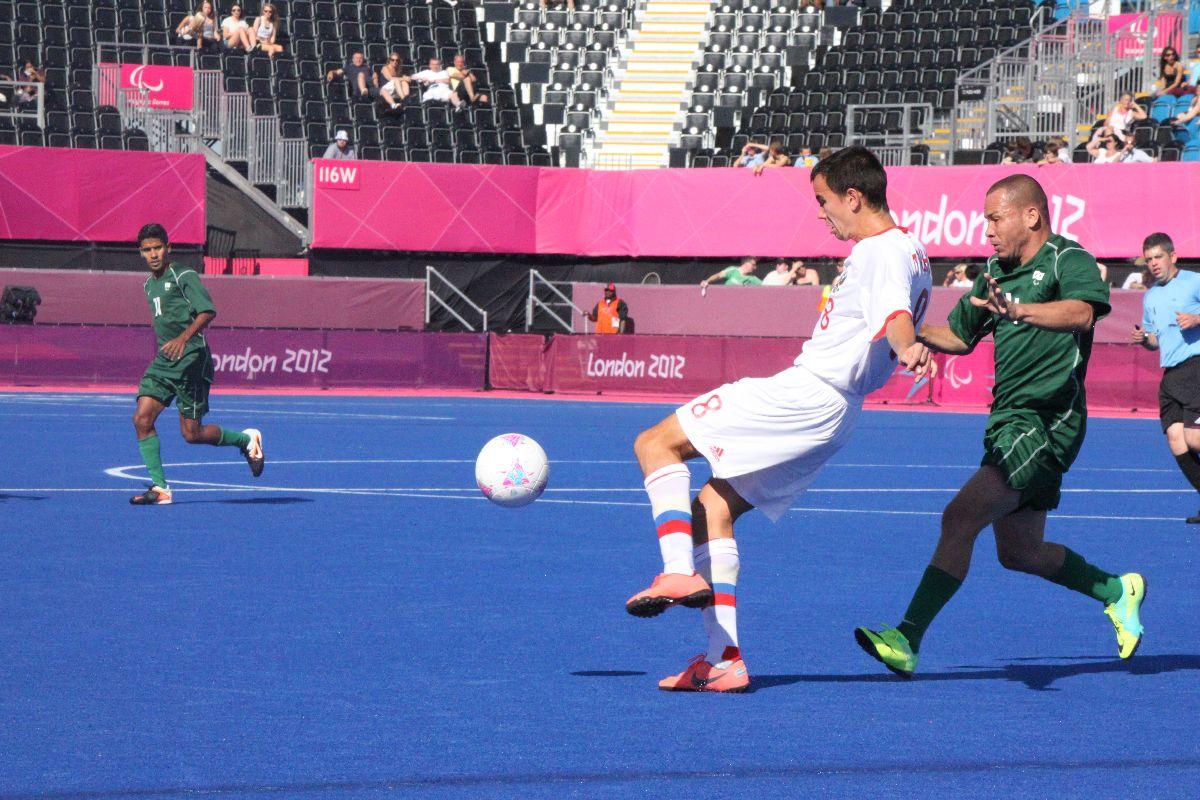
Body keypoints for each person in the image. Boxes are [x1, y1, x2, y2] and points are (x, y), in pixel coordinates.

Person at [626, 147, 934, 693]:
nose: (821, 214)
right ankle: (725, 661)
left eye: (824, 201)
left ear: (853, 197)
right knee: (713, 507)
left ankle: (676, 569)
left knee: (655, 443)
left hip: (809, 394)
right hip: (838, 414)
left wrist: (907, 347)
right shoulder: (912, 250)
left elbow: (897, 320)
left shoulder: (879, 250)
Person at [854, 174, 1144, 678]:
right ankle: (1116, 590)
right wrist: (904, 331)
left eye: (995, 217)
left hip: (1047, 422)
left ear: (1030, 215)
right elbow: (959, 336)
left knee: (960, 515)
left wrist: (1023, 310)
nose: (986, 230)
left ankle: (907, 637)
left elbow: (1082, 312)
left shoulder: (1065, 259)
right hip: (1009, 421)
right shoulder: (993, 271)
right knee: (1019, 552)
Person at [129, 223, 264, 506]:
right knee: (142, 419)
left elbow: (207, 311)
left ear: (168, 248)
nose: (153, 254)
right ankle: (161, 488)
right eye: (147, 249)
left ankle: (246, 440)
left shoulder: (183, 275)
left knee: (192, 434)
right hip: (165, 363)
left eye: (157, 248)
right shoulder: (147, 284)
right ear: (140, 253)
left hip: (192, 360)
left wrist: (183, 338)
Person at [1130, 232, 1200, 524]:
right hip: (1171, 374)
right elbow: (1155, 340)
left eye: (1158, 257)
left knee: (1194, 439)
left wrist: (1197, 319)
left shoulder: (1194, 281)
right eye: (1148, 260)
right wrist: (1144, 339)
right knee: (1176, 441)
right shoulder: (1151, 297)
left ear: (1173, 257)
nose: (1153, 264)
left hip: (1196, 367)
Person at [1087, 125, 1153, 163]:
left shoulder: (1119, 154)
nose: (1108, 142)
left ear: (1115, 143)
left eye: (1110, 141)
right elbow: (1088, 148)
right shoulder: (1102, 151)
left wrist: (1124, 150)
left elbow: (1114, 164)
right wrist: (1100, 139)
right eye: (1107, 141)